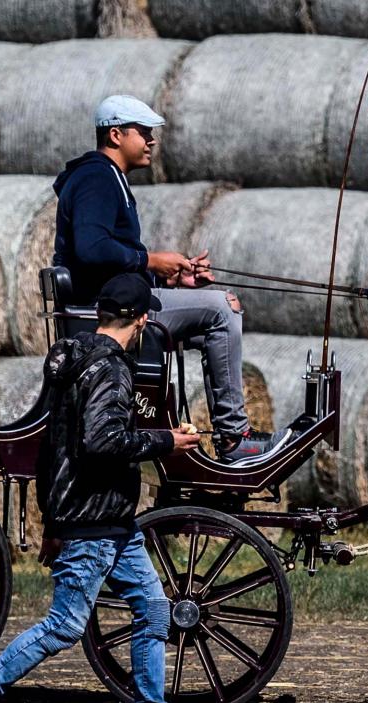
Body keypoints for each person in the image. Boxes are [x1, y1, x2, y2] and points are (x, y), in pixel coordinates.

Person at [0, 274, 221, 703]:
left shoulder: (73, 359)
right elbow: (101, 442)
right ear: (141, 320)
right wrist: (167, 440)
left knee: (152, 611)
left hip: (111, 521)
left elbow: (52, 448)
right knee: (63, 627)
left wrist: (50, 519)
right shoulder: (110, 370)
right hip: (93, 519)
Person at [52, 94, 277, 464]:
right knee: (223, 309)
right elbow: (92, 249)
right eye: (143, 132)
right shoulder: (96, 177)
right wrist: (151, 260)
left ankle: (223, 436)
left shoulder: (106, 177)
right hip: (107, 313)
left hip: (117, 301)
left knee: (213, 325)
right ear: (115, 135)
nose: (152, 141)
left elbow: (108, 264)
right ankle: (234, 437)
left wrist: (171, 284)